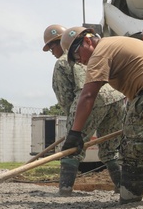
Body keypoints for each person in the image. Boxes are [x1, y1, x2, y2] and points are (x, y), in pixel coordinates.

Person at [60, 27, 143, 204]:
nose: (81, 61)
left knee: (132, 157)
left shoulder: (100, 52)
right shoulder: (117, 44)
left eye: (78, 56)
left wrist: (75, 134)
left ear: (87, 41)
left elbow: (88, 95)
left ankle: (130, 203)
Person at [42, 24, 126, 195]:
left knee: (71, 150)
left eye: (51, 48)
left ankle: (65, 191)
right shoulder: (93, 51)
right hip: (117, 99)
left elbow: (65, 97)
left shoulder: (63, 62)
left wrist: (74, 127)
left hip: (90, 98)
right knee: (110, 150)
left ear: (58, 44)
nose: (52, 53)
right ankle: (123, 188)